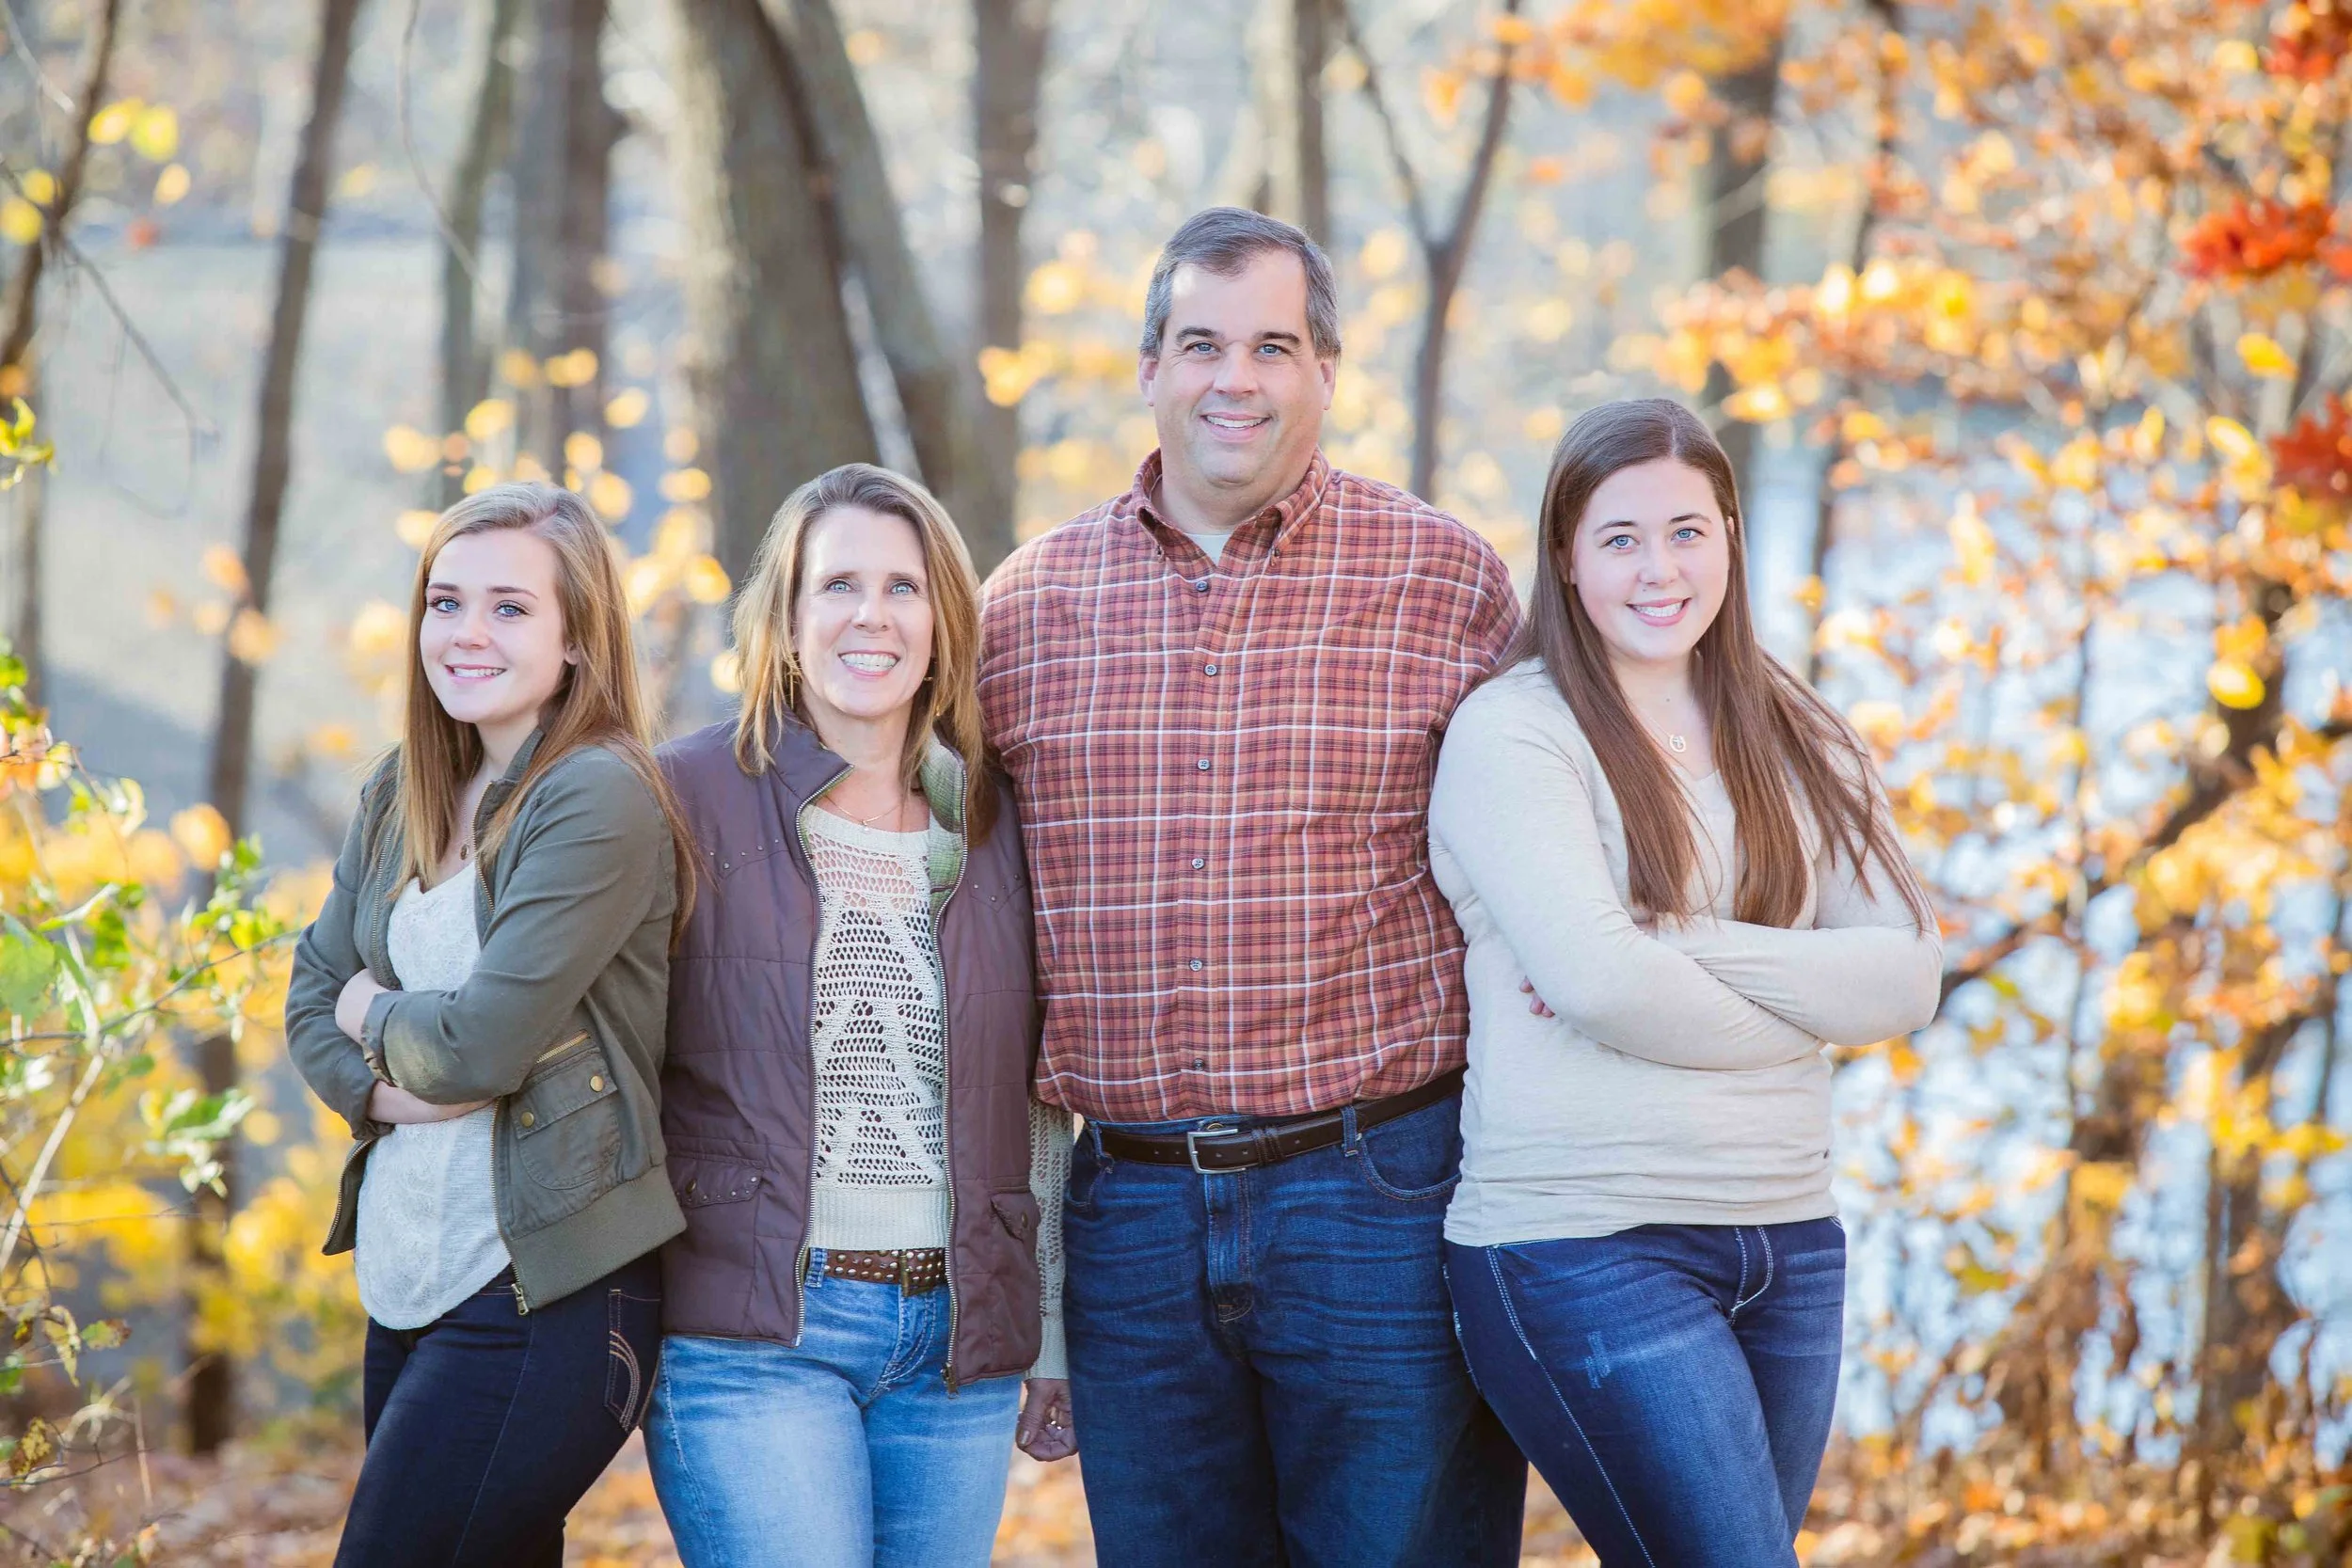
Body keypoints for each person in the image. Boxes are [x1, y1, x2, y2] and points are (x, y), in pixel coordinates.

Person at [977, 206, 1527, 1568]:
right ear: (1149, 368)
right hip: (1131, 1216)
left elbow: (1554, 870)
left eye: (1274, 345)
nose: (1238, 377)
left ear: (1327, 370)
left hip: (1381, 1191)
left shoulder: (1445, 580)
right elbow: (953, 925)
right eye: (1203, 343)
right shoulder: (1024, 608)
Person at [1431, 397, 1943, 1566]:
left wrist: (1683, 940)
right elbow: (1603, 982)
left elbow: (1907, 975)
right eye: (1618, 537)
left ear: (1728, 540)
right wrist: (1806, 1008)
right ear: (1564, 555)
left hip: (1789, 1236)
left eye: (1686, 531)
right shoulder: (1517, 735)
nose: (1657, 568)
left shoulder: (1798, 727)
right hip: (1582, 1241)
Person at [645, 463, 1072, 1568]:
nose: (869, 616)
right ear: (785, 622)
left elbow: (1039, 1099)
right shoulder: (683, 795)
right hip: (755, 1336)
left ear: (942, 622)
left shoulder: (995, 821)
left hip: (955, 1346)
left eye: (902, 586)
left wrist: (1050, 1327)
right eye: (837, 586)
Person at [285, 483, 696, 1568]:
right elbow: (306, 991)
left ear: (576, 638)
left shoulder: (595, 794)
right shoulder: (402, 790)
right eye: (446, 600)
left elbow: (480, 1048)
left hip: (543, 1290)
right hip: (406, 1281)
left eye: (511, 607)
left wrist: (372, 1012)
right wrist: (387, 1080)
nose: (466, 632)